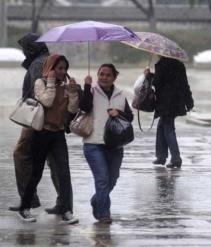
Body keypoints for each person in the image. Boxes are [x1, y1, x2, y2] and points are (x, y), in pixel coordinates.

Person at [9, 33, 69, 214]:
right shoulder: (50, 60)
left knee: (21, 155)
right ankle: (64, 203)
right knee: (56, 164)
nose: (23, 52)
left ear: (31, 48)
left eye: (25, 48)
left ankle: (29, 200)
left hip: (37, 121)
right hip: (52, 122)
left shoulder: (37, 64)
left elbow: (39, 96)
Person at [17, 54, 79, 224]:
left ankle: (67, 210)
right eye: (59, 68)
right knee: (36, 173)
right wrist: (51, 83)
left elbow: (72, 110)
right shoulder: (40, 83)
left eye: (64, 68)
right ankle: (25, 208)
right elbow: (47, 102)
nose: (62, 71)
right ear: (50, 68)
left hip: (58, 135)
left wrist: (73, 93)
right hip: (41, 133)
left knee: (64, 173)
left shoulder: (66, 86)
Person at [80, 64, 133, 224]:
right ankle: (104, 214)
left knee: (113, 179)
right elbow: (84, 108)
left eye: (108, 75)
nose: (104, 77)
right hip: (93, 143)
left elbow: (129, 117)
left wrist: (120, 113)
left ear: (114, 78)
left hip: (115, 146)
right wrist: (87, 85)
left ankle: (97, 200)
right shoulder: (90, 91)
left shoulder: (120, 95)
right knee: (102, 179)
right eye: (101, 74)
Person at [144, 56, 194, 169]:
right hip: (177, 102)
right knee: (162, 125)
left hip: (165, 102)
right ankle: (161, 157)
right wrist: (189, 102)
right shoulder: (179, 65)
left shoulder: (161, 64)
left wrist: (149, 75)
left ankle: (176, 159)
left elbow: (157, 82)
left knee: (168, 128)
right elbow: (185, 85)